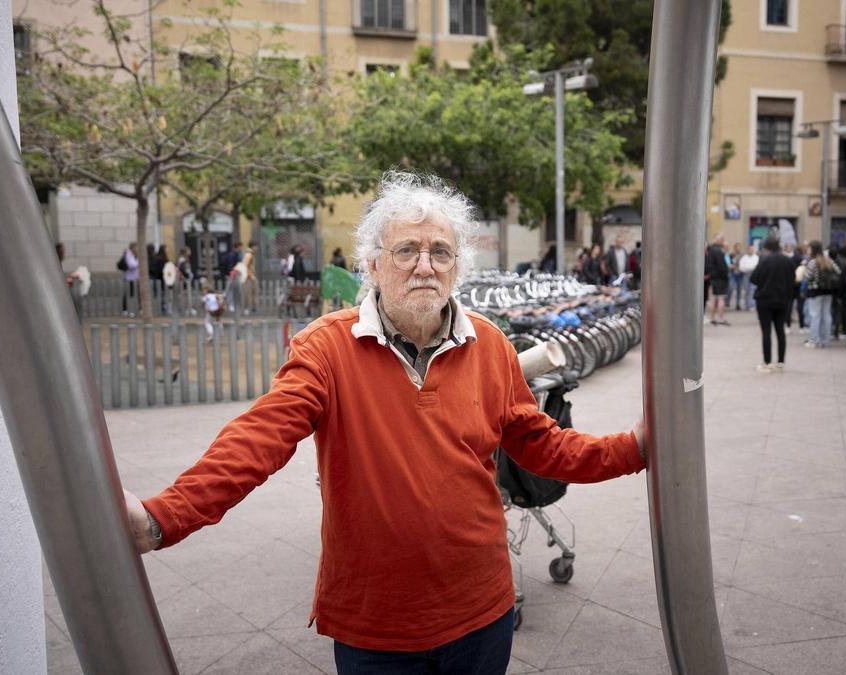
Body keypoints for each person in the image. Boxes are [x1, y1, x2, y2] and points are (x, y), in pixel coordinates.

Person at [121, 172, 646, 673]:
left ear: (456, 266)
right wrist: (162, 517)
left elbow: (543, 447)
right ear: (372, 266)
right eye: (406, 251)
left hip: (482, 611)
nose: (425, 266)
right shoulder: (326, 347)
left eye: (440, 251)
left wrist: (637, 447)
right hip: (375, 626)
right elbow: (259, 438)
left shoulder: (489, 345)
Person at [750, 237, 796, 372]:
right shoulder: (787, 261)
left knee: (766, 332)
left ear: (767, 247)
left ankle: (767, 362)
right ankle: (781, 362)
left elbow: (754, 278)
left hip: (765, 300)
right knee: (780, 331)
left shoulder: (765, 260)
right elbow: (792, 280)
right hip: (782, 301)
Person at [803, 240, 840, 349]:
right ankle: (825, 340)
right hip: (828, 291)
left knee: (815, 315)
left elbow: (807, 277)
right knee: (826, 315)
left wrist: (805, 269)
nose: (808, 250)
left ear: (813, 249)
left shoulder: (812, 262)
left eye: (809, 248)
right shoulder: (828, 260)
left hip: (815, 291)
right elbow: (838, 272)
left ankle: (813, 340)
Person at [704, 233, 731, 325]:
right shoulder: (718, 251)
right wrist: (725, 275)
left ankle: (712, 317)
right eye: (722, 240)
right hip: (720, 278)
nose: (723, 242)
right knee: (721, 298)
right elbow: (722, 267)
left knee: (714, 298)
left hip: (714, 277)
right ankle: (721, 318)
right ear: (719, 240)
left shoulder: (711, 250)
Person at [737, 244, 759, 311]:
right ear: (748, 250)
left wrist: (747, 267)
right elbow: (741, 267)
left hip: (754, 275)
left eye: (752, 249)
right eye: (750, 249)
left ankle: (752, 305)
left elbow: (756, 266)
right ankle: (747, 305)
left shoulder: (756, 257)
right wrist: (749, 268)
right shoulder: (744, 257)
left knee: (753, 290)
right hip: (745, 275)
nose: (751, 250)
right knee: (747, 290)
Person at [120, 242, 139, 317]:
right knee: (129, 294)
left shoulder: (135, 255)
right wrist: (139, 262)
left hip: (135, 277)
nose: (137, 249)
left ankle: (133, 309)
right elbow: (132, 265)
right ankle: (126, 310)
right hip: (129, 278)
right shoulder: (128, 254)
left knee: (134, 294)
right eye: (136, 247)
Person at [727, 242, 745, 310]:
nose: (738, 248)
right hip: (732, 274)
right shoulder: (731, 255)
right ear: (734, 248)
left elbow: (744, 263)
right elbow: (729, 262)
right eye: (737, 247)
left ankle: (738, 304)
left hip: (740, 274)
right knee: (730, 287)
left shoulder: (743, 255)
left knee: (739, 289)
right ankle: (727, 301)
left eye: (739, 247)